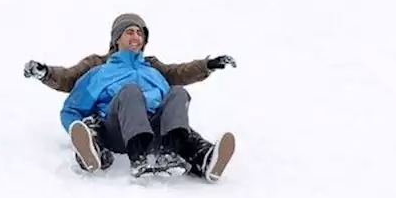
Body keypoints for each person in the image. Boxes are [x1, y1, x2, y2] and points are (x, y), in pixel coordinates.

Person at [23, 12, 237, 180]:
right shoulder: (99, 68)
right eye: (130, 32)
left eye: (140, 33)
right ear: (116, 39)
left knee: (178, 93)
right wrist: (47, 74)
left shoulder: (153, 69)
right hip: (117, 130)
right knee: (130, 92)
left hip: (156, 131)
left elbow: (179, 73)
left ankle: (199, 158)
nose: (136, 37)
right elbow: (69, 85)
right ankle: (105, 150)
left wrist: (207, 65)